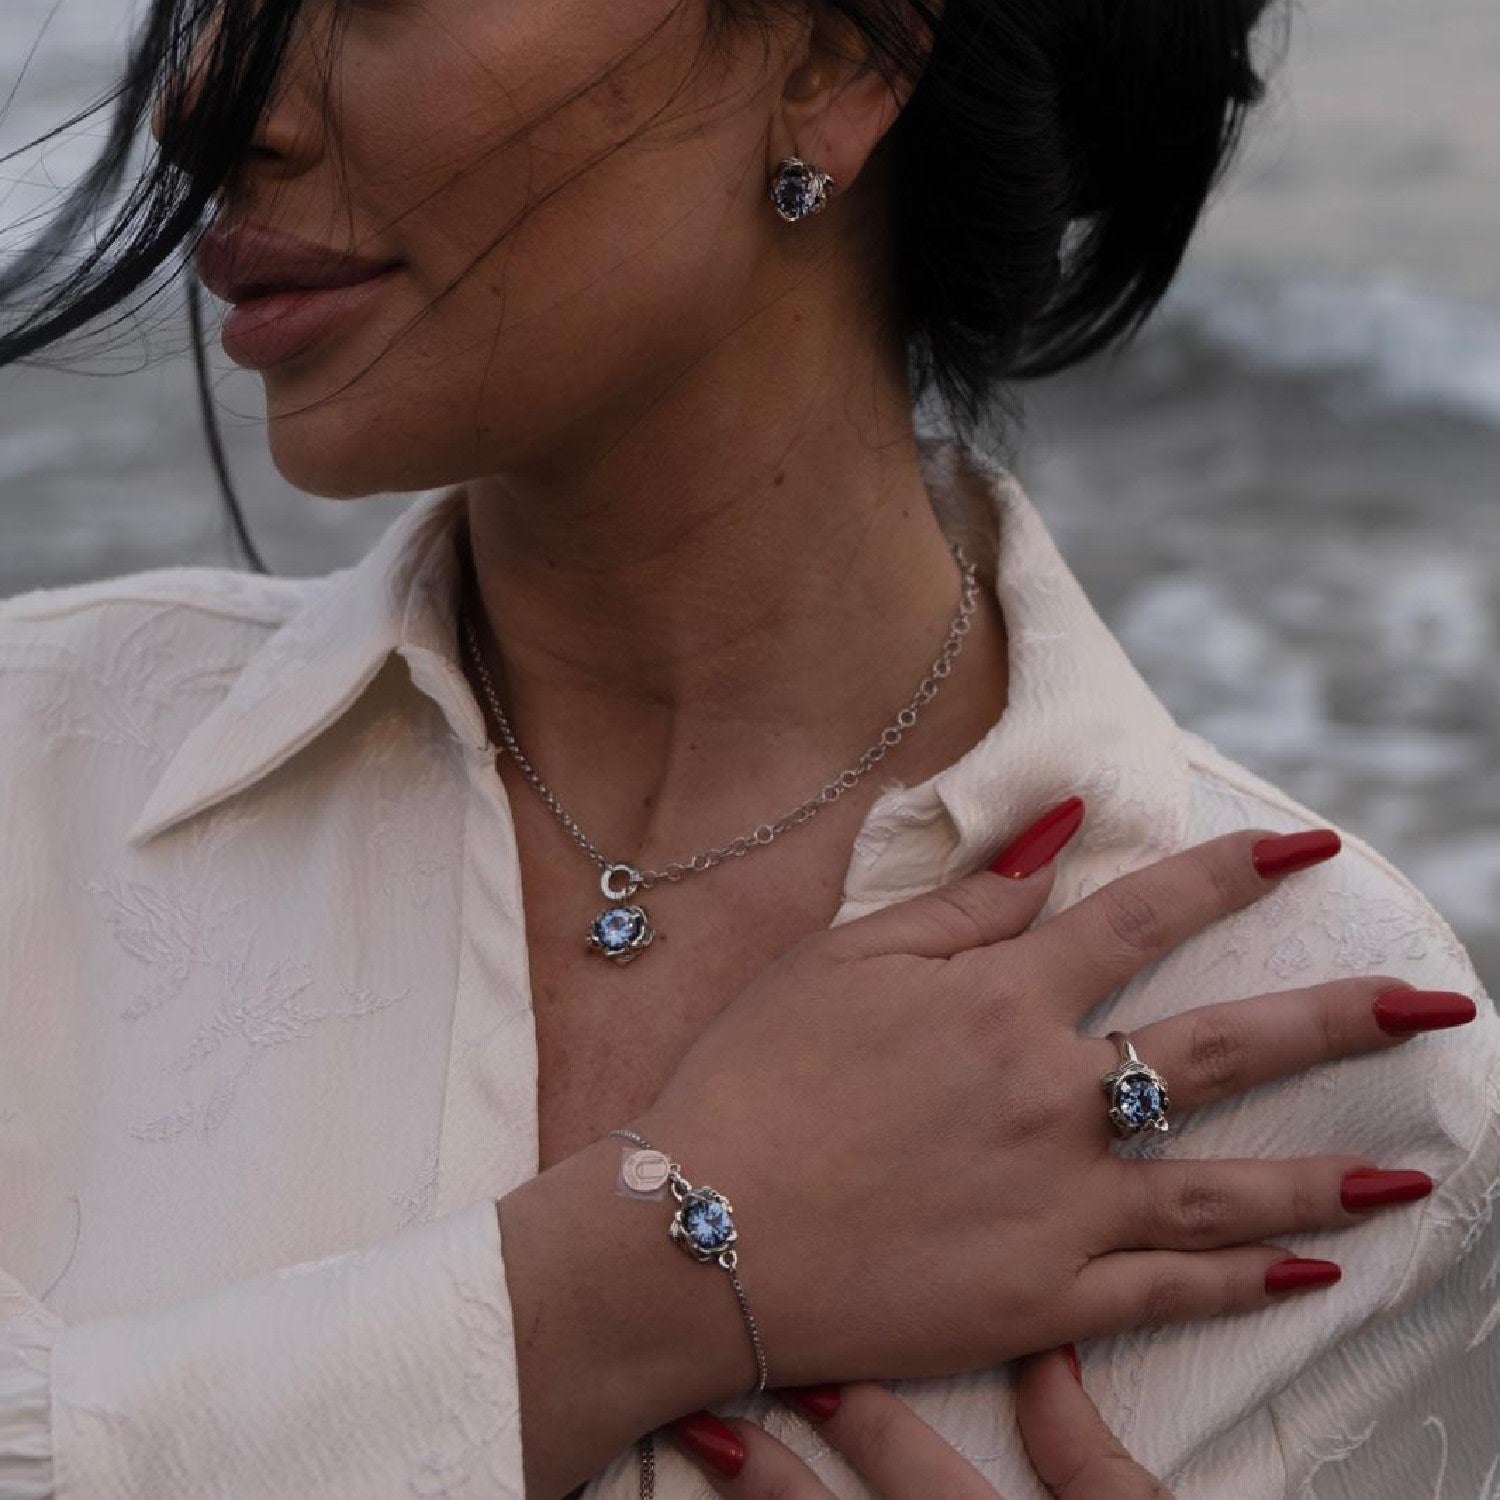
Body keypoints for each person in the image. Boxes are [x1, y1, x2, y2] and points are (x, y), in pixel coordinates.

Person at [0, 1, 1494, 1498]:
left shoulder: (1329, 1053)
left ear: (836, 60)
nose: (201, 93)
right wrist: (612, 1300)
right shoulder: (34, 761)